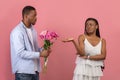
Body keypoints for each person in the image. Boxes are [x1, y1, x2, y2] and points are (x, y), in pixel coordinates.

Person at [10, 6, 51, 80]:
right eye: (34, 15)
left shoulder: (33, 30)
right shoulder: (17, 32)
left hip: (35, 71)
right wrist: (41, 54)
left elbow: (35, 49)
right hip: (23, 73)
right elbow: (21, 53)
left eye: (36, 15)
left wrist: (44, 49)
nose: (36, 18)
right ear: (26, 16)